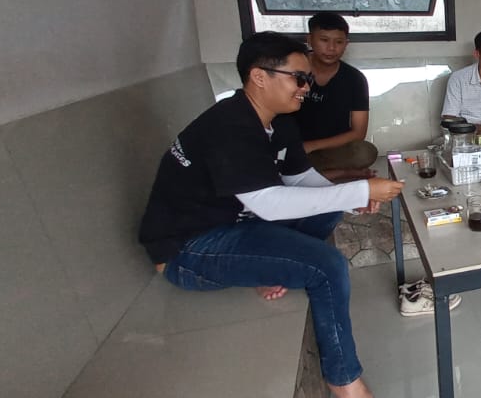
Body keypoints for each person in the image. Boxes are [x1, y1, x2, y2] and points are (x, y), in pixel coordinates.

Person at [138, 31, 405, 398]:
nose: (306, 87)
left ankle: (271, 267)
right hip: (188, 251)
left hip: (236, 225)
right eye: (299, 78)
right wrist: (360, 190)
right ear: (259, 76)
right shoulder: (228, 126)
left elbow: (299, 177)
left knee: (325, 214)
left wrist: (350, 200)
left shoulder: (277, 120)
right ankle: (344, 381)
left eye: (307, 78)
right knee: (327, 266)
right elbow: (268, 203)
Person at [295, 13, 378, 178]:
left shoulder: (355, 79)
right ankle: (338, 174)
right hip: (294, 147)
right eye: (324, 40)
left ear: (346, 44)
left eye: (339, 42)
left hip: (333, 149)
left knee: (365, 152)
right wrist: (298, 147)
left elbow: (358, 133)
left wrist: (312, 146)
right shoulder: (294, 70)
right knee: (277, 157)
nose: (331, 48)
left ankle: (316, 175)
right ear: (309, 40)